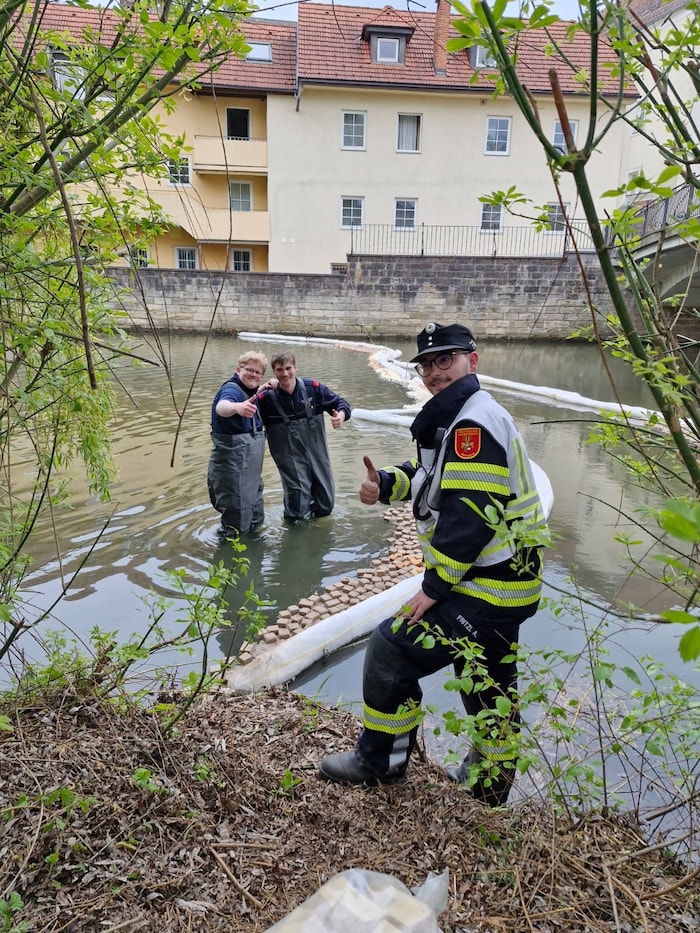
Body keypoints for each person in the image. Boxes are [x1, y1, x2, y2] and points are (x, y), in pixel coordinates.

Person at [318, 322, 547, 806]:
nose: (434, 372)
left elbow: (467, 520)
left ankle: (381, 761)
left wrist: (435, 586)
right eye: (426, 364)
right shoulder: (460, 416)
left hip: (488, 585)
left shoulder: (472, 426)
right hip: (509, 581)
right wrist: (385, 483)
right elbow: (430, 479)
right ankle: (490, 784)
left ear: (473, 361)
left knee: (391, 648)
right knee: (486, 676)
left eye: (446, 360)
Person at [255, 349, 352, 522]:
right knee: (297, 503)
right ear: (273, 372)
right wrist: (259, 389)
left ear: (295, 367)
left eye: (288, 368)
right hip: (288, 457)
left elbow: (340, 402)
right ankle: (295, 536)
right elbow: (246, 411)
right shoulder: (266, 398)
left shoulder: (313, 389)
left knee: (326, 502)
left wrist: (341, 416)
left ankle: (318, 535)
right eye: (279, 370)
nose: (285, 374)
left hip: (317, 453)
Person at [207, 350, 269, 537]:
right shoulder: (232, 390)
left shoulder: (251, 391)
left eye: (258, 373)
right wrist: (237, 407)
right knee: (235, 523)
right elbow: (222, 407)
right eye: (249, 370)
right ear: (238, 370)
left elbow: (256, 390)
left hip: (251, 476)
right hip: (232, 472)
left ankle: (253, 559)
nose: (254, 375)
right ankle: (228, 559)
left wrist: (267, 386)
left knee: (256, 517)